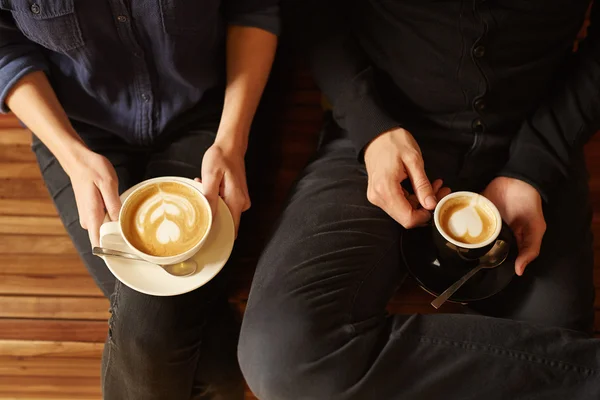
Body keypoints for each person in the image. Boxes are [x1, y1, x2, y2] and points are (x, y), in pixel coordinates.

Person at [238, 0, 600, 398]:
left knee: (553, 341)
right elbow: (312, 11)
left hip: (539, 138)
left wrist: (536, 163)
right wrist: (370, 125)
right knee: (282, 353)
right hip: (382, 136)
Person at [0, 2, 278, 399]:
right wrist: (69, 153)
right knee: (212, 367)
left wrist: (232, 142)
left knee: (155, 326)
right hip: (76, 132)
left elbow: (254, 11)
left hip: (209, 121)